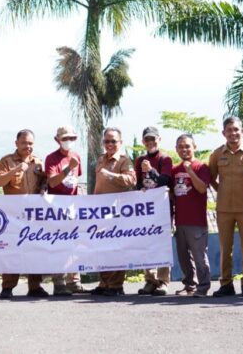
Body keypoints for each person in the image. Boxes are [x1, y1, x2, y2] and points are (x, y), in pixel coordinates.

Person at [209, 117, 243, 297]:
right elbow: (210, 178)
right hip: (224, 208)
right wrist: (221, 191)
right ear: (223, 133)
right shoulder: (217, 154)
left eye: (236, 130)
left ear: (242, 131)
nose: (233, 133)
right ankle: (226, 284)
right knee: (226, 248)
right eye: (229, 130)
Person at [0, 129, 49, 299]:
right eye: (24, 143)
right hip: (13, 216)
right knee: (13, 250)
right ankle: (8, 287)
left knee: (35, 250)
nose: (28, 146)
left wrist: (43, 188)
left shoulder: (38, 162)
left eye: (31, 143)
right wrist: (16, 169)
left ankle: (35, 286)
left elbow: (44, 182)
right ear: (16, 143)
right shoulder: (6, 161)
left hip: (34, 216)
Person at [91, 127, 136, 297]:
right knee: (102, 248)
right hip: (100, 212)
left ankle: (116, 285)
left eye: (113, 141)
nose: (110, 144)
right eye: (107, 141)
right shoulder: (101, 159)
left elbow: (131, 180)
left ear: (120, 143)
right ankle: (104, 282)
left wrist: (110, 175)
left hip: (118, 212)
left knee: (117, 248)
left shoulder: (124, 161)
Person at [45, 125, 88, 295]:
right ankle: (59, 281)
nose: (68, 142)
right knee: (59, 244)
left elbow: (76, 181)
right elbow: (53, 182)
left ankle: (74, 280)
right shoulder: (51, 158)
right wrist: (68, 168)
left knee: (75, 243)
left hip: (73, 207)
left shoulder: (76, 156)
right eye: (65, 139)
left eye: (72, 138)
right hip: (57, 208)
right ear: (57, 140)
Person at [134, 126, 173, 296]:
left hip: (163, 209)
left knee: (163, 243)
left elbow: (164, 181)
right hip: (146, 209)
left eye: (153, 139)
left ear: (159, 139)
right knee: (146, 243)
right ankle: (150, 280)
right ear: (143, 142)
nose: (150, 142)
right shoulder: (139, 160)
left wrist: (150, 170)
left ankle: (163, 281)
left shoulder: (165, 159)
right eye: (147, 140)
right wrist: (140, 188)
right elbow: (137, 182)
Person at [171, 134, 212, 298]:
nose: (184, 149)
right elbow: (171, 193)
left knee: (199, 257)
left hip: (197, 221)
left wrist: (189, 171)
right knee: (183, 257)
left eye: (187, 146)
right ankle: (190, 285)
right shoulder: (174, 169)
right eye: (180, 146)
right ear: (176, 149)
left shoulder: (201, 167)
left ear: (194, 147)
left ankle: (203, 287)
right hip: (180, 220)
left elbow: (202, 188)